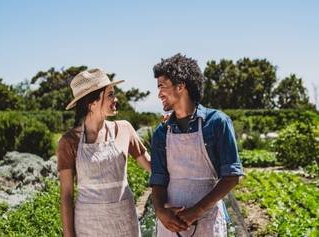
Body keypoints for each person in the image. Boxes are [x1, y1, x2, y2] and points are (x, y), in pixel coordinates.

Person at [149, 53, 243, 237]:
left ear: (181, 86)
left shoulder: (217, 123)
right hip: (170, 223)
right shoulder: (162, 132)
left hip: (207, 221)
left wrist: (197, 210)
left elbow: (231, 176)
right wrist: (161, 211)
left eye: (162, 86)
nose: (159, 93)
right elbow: (158, 180)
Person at [57, 68, 151, 237]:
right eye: (110, 95)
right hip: (88, 225)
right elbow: (66, 195)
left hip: (124, 221)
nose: (116, 99)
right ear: (91, 102)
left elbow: (152, 166)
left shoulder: (124, 129)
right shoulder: (69, 142)